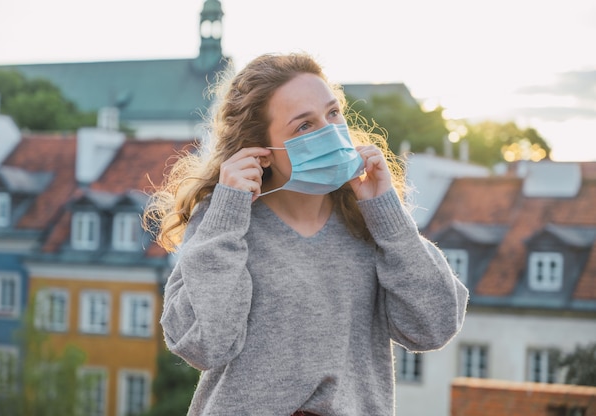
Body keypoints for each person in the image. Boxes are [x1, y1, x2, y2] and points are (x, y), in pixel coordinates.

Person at [143, 52, 469, 416]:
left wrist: (389, 216)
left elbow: (434, 326)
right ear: (261, 151)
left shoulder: (367, 221)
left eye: (333, 114)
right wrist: (226, 214)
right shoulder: (222, 226)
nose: (329, 132)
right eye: (304, 126)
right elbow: (205, 346)